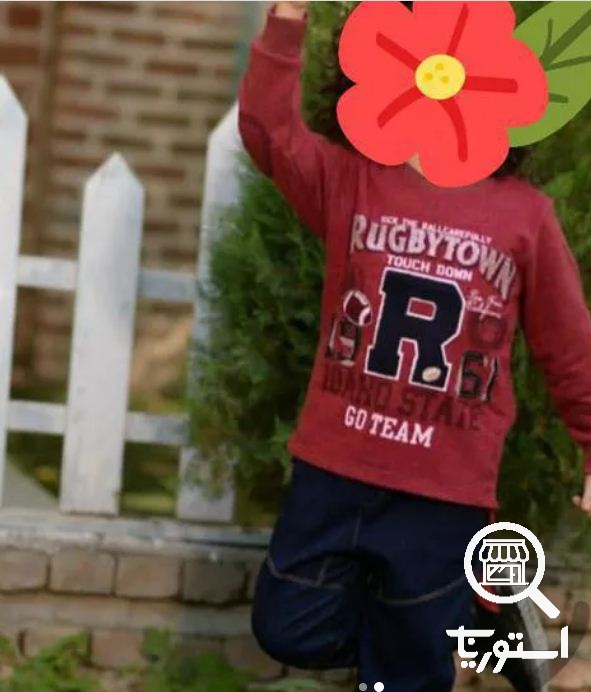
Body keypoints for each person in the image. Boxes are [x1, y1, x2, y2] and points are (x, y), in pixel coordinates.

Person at [238, 2, 591, 690]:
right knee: (286, 627)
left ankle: (454, 625)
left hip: (444, 487)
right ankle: (471, 618)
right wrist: (285, 20)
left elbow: (567, 342)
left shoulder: (524, 215)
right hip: (336, 465)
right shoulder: (350, 181)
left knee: (411, 671)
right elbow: (267, 131)